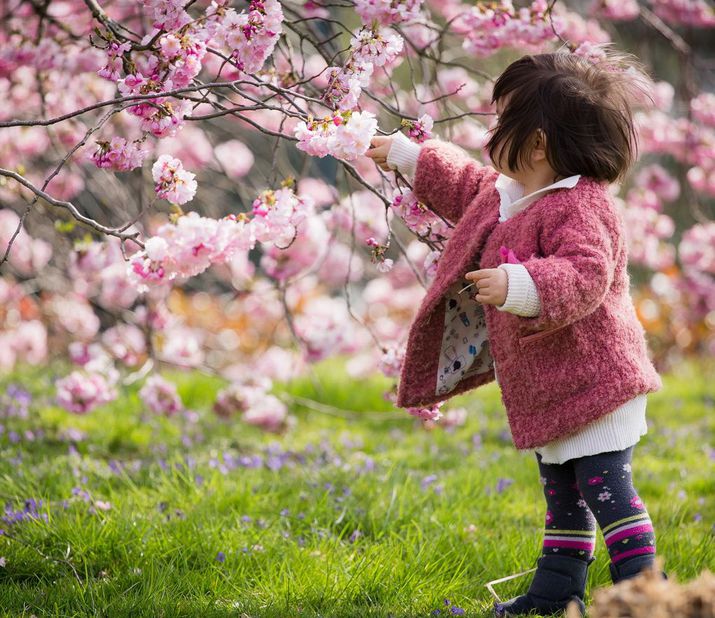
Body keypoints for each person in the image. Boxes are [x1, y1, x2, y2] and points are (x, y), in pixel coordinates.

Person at [365, 51, 667, 617]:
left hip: (597, 383)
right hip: (553, 386)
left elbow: (586, 273)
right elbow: (468, 187)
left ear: (536, 145)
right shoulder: (512, 194)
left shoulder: (581, 205)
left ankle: (648, 593)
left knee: (607, 491)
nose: (489, 134)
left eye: (501, 122)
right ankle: (556, 595)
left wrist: (520, 284)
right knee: (563, 498)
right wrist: (411, 156)